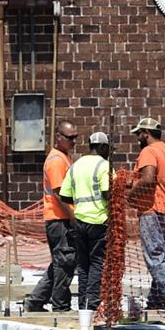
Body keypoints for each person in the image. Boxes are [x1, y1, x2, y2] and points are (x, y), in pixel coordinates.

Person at [125, 117, 165, 311]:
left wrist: (131, 197)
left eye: (139, 134)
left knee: (154, 258)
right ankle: (156, 301)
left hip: (153, 211)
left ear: (146, 133)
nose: (137, 138)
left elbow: (148, 179)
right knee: (161, 258)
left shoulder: (149, 151)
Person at [25, 120, 78, 312]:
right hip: (59, 218)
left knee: (60, 262)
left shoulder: (63, 158)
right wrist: (72, 216)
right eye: (69, 137)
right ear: (58, 137)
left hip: (59, 217)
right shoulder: (56, 160)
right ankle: (60, 306)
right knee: (65, 262)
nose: (73, 141)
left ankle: (36, 301)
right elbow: (58, 193)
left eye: (75, 137)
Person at [59, 131, 111, 313]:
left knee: (83, 265)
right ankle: (93, 303)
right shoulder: (104, 165)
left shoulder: (76, 165)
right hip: (99, 221)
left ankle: (83, 305)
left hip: (79, 221)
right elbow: (107, 193)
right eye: (108, 148)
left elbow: (64, 196)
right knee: (97, 263)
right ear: (103, 147)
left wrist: (79, 204)